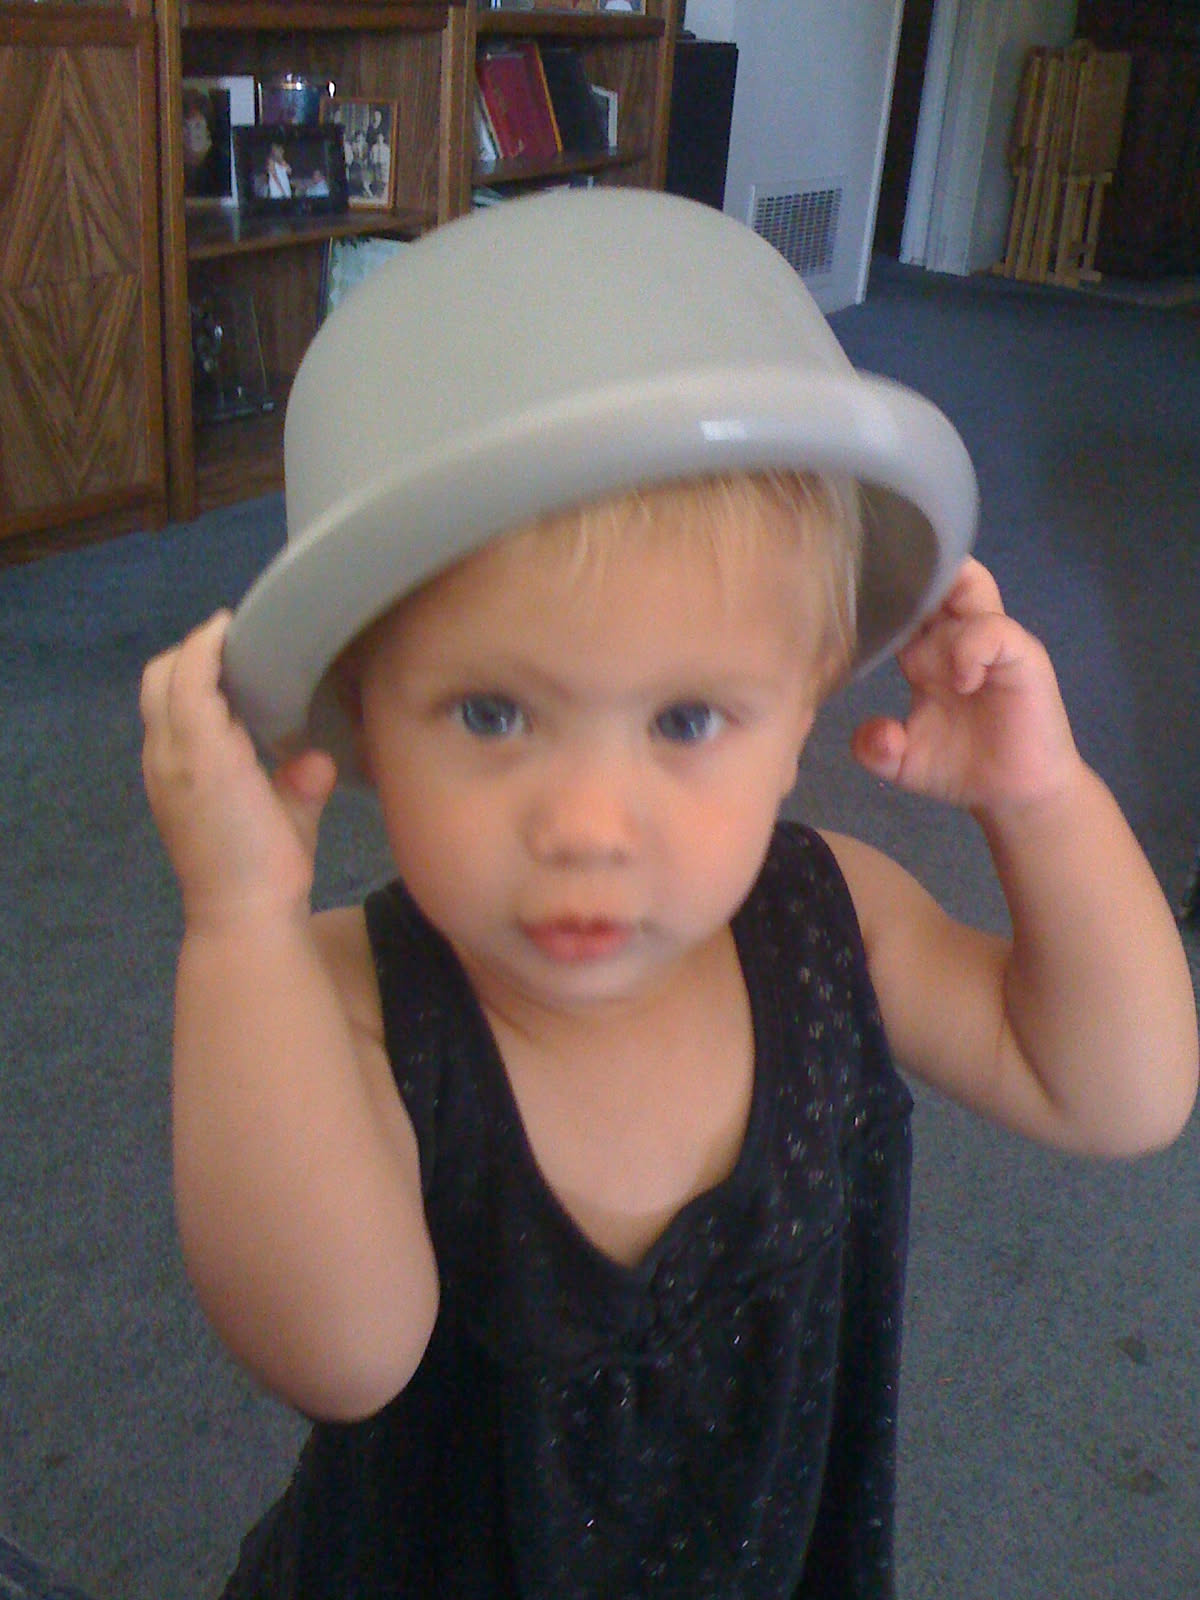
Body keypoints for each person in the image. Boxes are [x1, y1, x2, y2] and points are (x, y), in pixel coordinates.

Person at [140, 191, 1197, 1597]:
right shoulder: (340, 1003)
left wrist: (1042, 801)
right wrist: (238, 934)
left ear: (804, 710)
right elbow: (340, 1354)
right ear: (364, 720)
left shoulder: (833, 923)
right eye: (491, 715)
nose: (589, 828)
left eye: (689, 719)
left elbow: (1118, 1094)